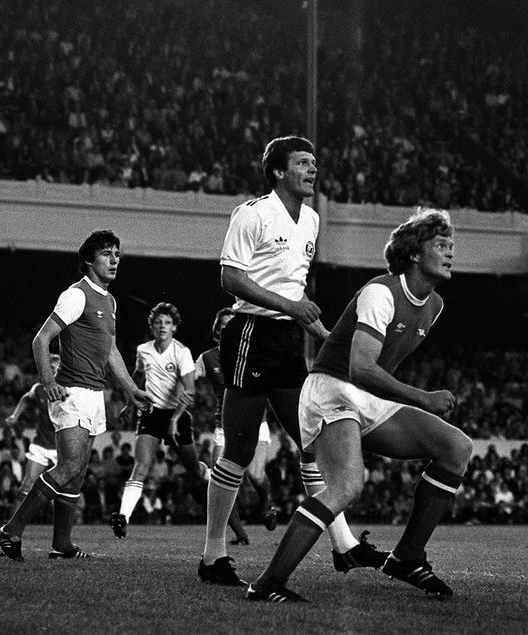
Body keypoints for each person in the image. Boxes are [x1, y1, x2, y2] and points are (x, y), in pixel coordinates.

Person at [246, 207, 473, 603]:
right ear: (416, 253)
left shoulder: (434, 305)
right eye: (441, 244)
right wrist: (422, 397)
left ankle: (407, 557)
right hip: (330, 389)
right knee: (347, 486)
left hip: (365, 398)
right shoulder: (381, 291)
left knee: (457, 448)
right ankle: (266, 585)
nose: (451, 251)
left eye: (451, 244)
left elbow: (372, 375)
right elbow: (361, 367)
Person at [199, 136, 386, 586]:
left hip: (287, 338)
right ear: (279, 171)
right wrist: (290, 306)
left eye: (314, 162)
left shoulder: (313, 220)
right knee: (240, 450)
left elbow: (295, 292)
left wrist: (322, 334)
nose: (312, 169)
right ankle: (212, 556)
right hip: (250, 334)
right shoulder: (253, 213)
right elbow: (231, 278)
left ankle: (344, 546)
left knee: (310, 440)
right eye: (303, 162)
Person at [0, 230, 151, 560]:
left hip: (95, 394)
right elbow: (41, 340)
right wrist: (48, 381)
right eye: (107, 254)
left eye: (117, 254)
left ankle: (61, 545)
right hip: (73, 392)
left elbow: (110, 351)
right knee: (69, 466)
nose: (114, 260)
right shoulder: (77, 294)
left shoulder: (109, 300)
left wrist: (131, 389)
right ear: (89, 261)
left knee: (77, 473)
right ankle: (10, 530)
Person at [110, 302, 207, 539]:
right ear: (152, 327)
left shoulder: (182, 352)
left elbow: (190, 391)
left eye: (167, 323)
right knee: (141, 467)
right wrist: (130, 404)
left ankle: (213, 477)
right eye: (158, 322)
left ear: (174, 327)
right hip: (151, 413)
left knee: (195, 471)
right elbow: (138, 377)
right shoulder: (143, 350)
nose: (162, 326)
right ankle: (123, 517)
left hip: (177, 414)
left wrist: (174, 419)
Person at [194, 307, 278, 546]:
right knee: (220, 480)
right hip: (223, 426)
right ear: (217, 333)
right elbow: (187, 383)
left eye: (233, 326)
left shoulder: (254, 353)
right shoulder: (207, 358)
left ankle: (267, 500)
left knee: (254, 474)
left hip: (255, 421)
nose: (228, 331)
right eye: (223, 328)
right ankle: (240, 534)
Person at [4, 354, 62, 500]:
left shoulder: (70, 391)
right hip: (40, 445)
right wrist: (15, 416)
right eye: (50, 368)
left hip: (61, 448)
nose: (53, 371)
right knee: (27, 484)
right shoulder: (38, 389)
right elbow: (25, 398)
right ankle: (14, 523)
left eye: (56, 368)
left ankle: (65, 522)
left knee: (65, 490)